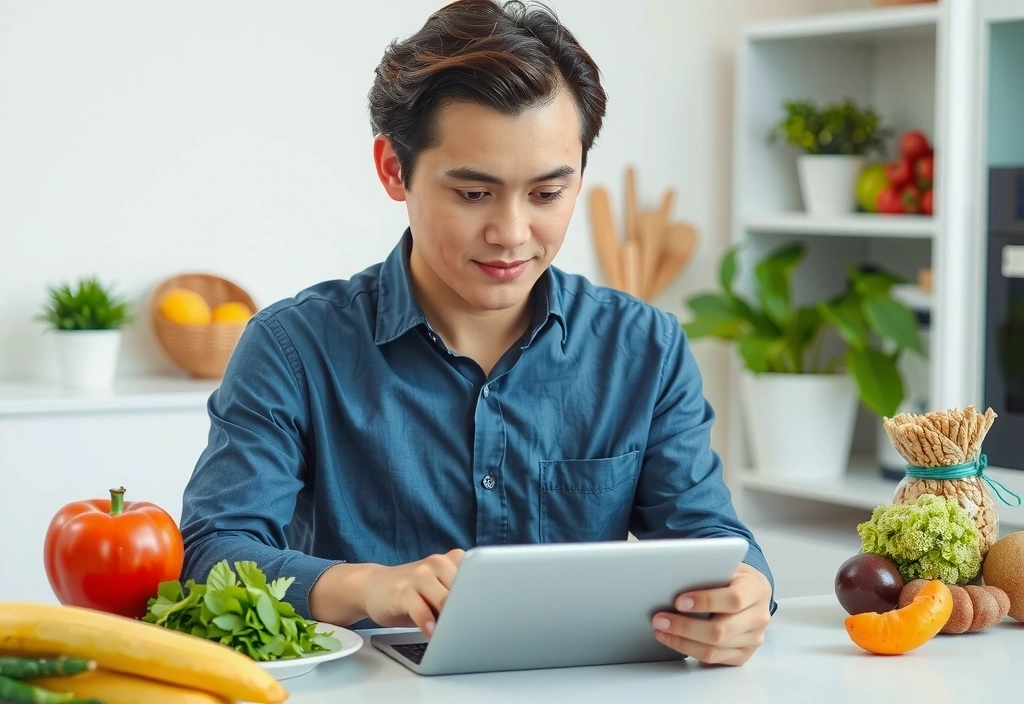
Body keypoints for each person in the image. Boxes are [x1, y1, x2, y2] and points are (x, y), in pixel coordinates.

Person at [179, 0, 776, 667]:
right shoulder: (293, 349)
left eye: (548, 194)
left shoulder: (645, 349)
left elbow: (712, 539)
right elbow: (212, 554)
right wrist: (369, 585)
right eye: (473, 194)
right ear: (392, 169)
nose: (512, 233)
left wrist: (747, 592)